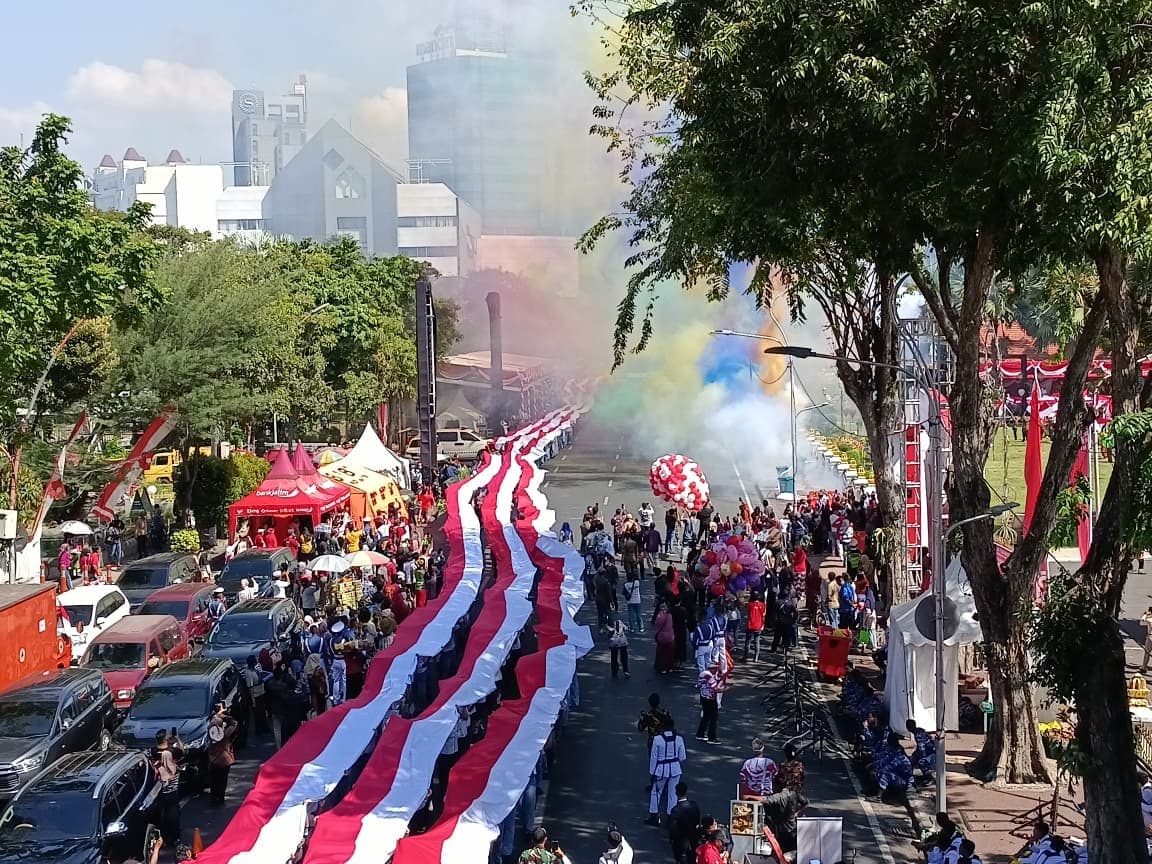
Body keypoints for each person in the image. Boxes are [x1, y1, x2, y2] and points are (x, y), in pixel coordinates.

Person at [647, 716, 686, 824]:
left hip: (661, 770)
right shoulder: (679, 739)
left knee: (656, 792)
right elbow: (682, 757)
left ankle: (654, 816)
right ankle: (670, 818)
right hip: (675, 769)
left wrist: (652, 772)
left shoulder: (657, 739)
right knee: (673, 793)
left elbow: (653, 757)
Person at [150, 730, 182, 852]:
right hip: (171, 787)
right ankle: (175, 838)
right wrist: (177, 738)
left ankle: (164, 837)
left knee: (162, 814)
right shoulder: (171, 752)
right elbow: (182, 752)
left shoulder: (153, 751)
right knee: (173, 813)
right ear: (165, 739)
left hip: (159, 788)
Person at [205, 705, 239, 804]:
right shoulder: (224, 734)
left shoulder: (210, 733)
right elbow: (234, 723)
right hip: (224, 760)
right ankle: (220, 798)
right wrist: (223, 716)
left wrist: (217, 715)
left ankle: (213, 798)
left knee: (214, 780)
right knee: (223, 780)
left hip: (213, 760)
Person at [668, 781, 702, 864]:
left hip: (680, 841)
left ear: (676, 793)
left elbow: (672, 828)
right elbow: (697, 820)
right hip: (693, 839)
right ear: (686, 792)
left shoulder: (675, 810)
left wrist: (671, 839)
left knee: (680, 860)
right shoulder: (694, 805)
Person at [874, 732, 913, 802]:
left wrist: (878, 769)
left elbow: (890, 766)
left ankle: (879, 796)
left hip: (903, 781)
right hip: (902, 777)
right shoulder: (895, 750)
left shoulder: (898, 753)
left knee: (884, 773)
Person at [696, 661, 728, 744]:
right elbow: (716, 689)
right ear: (712, 668)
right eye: (715, 668)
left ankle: (700, 734)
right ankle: (711, 738)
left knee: (706, 716)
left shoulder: (703, 674)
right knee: (713, 718)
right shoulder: (709, 676)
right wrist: (725, 689)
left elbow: (699, 685)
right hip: (710, 699)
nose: (716, 670)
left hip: (703, 697)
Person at [243, 655, 268, 733]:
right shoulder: (248, 673)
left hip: (261, 693)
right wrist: (253, 701)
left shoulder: (255, 669)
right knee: (258, 714)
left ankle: (264, 727)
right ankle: (259, 730)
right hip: (256, 696)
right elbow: (250, 687)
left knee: (263, 712)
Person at [906, 718, 937, 782]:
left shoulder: (918, 734)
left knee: (921, 761)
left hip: (929, 752)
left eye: (909, 726)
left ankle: (929, 777)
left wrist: (918, 756)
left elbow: (922, 748)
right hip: (929, 750)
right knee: (913, 757)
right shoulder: (918, 731)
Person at [654, 601, 676, 674]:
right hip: (671, 635)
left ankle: (662, 668)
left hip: (662, 636)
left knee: (662, 652)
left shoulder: (660, 615)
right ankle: (670, 667)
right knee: (670, 652)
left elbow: (658, 625)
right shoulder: (670, 615)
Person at [743, 591, 766, 661]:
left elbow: (745, 606)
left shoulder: (750, 604)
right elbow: (764, 614)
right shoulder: (762, 605)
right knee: (757, 641)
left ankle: (746, 656)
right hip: (759, 625)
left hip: (750, 625)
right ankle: (756, 657)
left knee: (748, 641)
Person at [608, 611, 630, 679]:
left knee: (614, 657)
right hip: (623, 641)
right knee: (624, 656)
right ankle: (625, 670)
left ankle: (614, 671)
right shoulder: (620, 622)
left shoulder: (610, 624)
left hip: (614, 642)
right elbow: (626, 628)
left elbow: (609, 632)